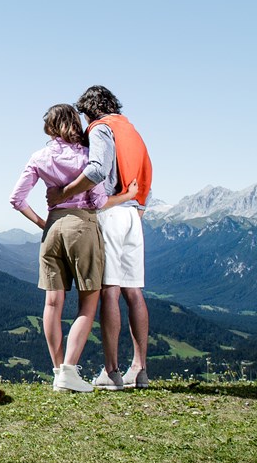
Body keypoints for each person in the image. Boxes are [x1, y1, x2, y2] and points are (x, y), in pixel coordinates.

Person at [48, 85, 153, 390]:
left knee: (109, 290)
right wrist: (139, 206)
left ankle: (112, 371)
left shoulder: (100, 128)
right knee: (134, 291)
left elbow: (97, 170)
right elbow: (147, 172)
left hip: (110, 212)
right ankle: (140, 369)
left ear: (90, 109)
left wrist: (64, 193)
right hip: (134, 214)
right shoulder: (131, 131)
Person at [9, 103, 110, 393]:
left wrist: (44, 223)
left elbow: (16, 199)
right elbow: (100, 200)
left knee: (52, 303)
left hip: (53, 228)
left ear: (51, 127)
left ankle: (56, 371)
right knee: (88, 302)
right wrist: (127, 194)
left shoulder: (39, 156)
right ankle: (69, 371)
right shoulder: (87, 156)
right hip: (82, 226)